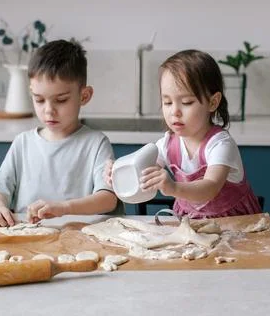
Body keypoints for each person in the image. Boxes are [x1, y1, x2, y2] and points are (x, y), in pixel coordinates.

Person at [105, 49, 261, 219]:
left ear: (212, 102)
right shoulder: (166, 145)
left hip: (234, 223)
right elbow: (143, 175)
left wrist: (173, 188)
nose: (175, 112)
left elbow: (210, 187)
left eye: (186, 102)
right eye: (167, 102)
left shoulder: (220, 144)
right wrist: (118, 174)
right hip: (190, 222)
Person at [0, 39, 121, 227]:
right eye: (39, 100)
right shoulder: (22, 143)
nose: (49, 110)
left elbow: (107, 198)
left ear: (84, 96)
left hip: (78, 241)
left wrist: (64, 208)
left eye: (61, 100)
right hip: (27, 240)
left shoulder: (95, 144)